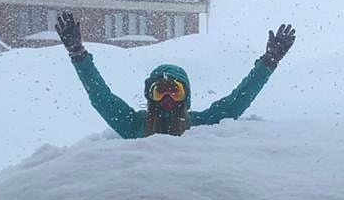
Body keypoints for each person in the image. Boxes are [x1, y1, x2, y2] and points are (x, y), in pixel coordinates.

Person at [54, 12, 295, 137]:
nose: (168, 100)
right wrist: (78, 54)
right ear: (150, 97)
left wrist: (268, 63)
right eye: (160, 92)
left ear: (185, 97)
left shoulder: (199, 125)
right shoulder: (133, 125)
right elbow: (101, 97)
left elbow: (236, 102)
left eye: (175, 91)